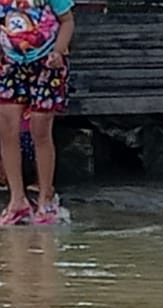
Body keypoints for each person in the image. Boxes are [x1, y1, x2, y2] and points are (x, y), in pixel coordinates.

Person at [0, 0, 74, 226]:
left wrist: (58, 51)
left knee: (40, 130)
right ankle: (17, 200)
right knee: (7, 130)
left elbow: (67, 21)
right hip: (9, 63)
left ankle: (45, 199)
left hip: (46, 64)